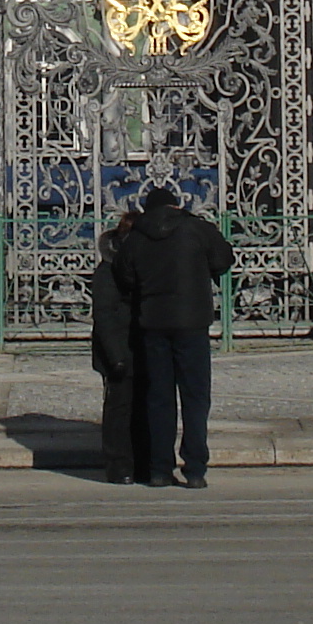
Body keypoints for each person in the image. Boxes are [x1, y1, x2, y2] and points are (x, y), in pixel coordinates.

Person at [118, 186, 234, 489]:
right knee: (195, 398)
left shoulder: (136, 237)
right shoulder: (197, 229)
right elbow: (223, 259)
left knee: (159, 398)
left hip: (152, 324)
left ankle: (159, 468)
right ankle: (195, 468)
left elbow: (124, 275)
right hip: (192, 323)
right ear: (175, 205)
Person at [89, 208, 148, 484]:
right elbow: (104, 316)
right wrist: (116, 357)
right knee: (119, 408)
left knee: (143, 406)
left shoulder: (144, 266)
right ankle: (119, 465)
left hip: (142, 346)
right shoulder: (108, 270)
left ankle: (143, 462)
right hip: (118, 350)